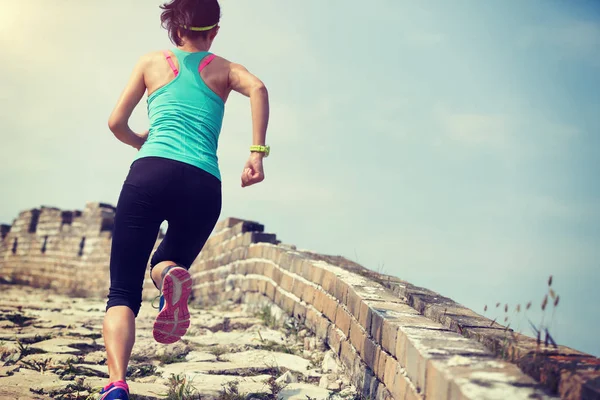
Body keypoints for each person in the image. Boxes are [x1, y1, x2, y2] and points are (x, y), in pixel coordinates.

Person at [99, 0, 270, 398]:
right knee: (166, 261)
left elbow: (115, 123)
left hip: (150, 172)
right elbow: (259, 88)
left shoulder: (150, 62)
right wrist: (255, 155)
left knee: (122, 292)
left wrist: (139, 140)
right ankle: (167, 277)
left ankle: (117, 384)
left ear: (175, 32)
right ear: (214, 32)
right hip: (203, 183)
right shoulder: (226, 69)